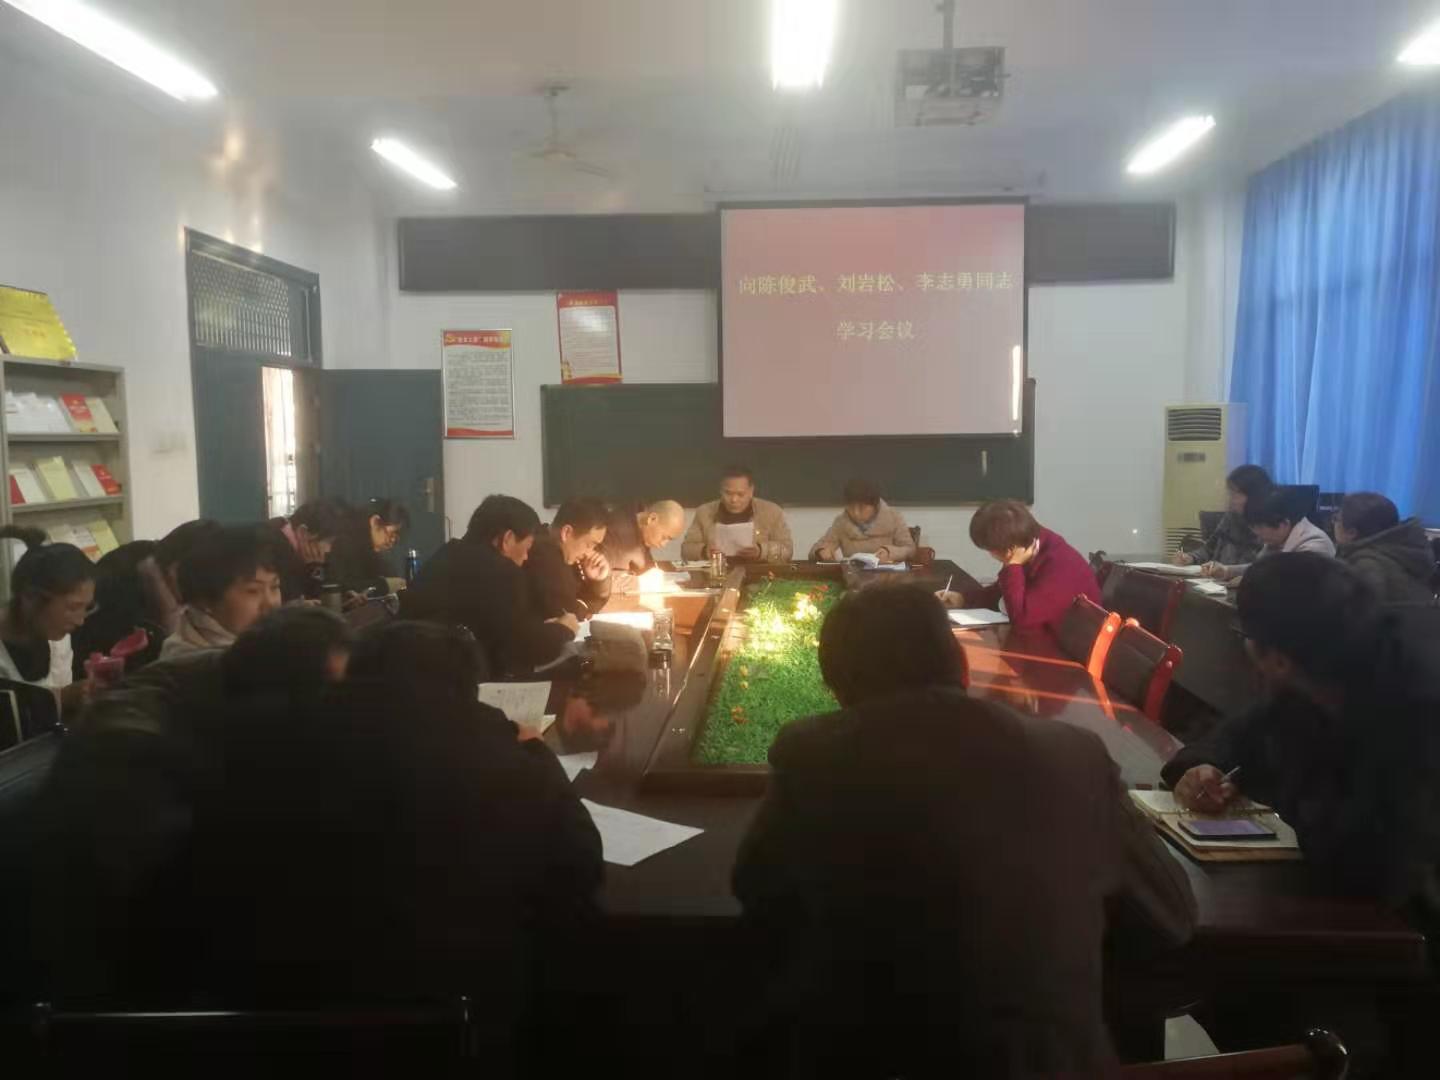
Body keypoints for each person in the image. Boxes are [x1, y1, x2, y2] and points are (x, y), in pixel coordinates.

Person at [733, 585, 1196, 1077]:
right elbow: (1172, 915)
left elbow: (756, 888)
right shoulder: (1073, 754)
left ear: (836, 688)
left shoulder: (811, 755)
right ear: (962, 664)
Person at [205, 621, 603, 1040]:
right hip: (461, 1018)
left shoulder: (272, 745)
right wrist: (538, 754)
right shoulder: (501, 752)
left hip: (279, 1017)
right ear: (469, 686)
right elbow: (581, 867)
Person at [32, 607, 355, 1004]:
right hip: (109, 997)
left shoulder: (231, 686)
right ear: (284, 695)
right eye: (328, 695)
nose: (337, 713)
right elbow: (187, 905)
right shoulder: (130, 753)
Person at [1163, 554, 1440, 924]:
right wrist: (1200, 766)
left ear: (1278, 660)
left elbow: (1378, 868)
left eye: (1245, 637)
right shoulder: (1317, 672)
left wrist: (1274, 781)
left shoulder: (1416, 708)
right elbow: (1235, 736)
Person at [401, 495, 578, 677]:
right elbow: (524, 650)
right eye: (527, 547)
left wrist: (540, 629)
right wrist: (564, 629)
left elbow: (505, 627)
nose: (526, 557)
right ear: (507, 539)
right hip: (456, 680)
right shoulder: (504, 572)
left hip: (410, 670)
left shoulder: (446, 553)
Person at [936, 499, 1101, 632]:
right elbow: (1003, 592)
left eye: (990, 550)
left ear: (1010, 549)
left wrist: (1012, 566)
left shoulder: (1060, 564)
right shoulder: (1028, 542)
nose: (990, 555)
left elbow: (1022, 618)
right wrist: (963, 599)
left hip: (1064, 650)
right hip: (1043, 636)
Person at [0, 526, 96, 711]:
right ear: (30, 597)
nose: (80, 621)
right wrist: (63, 698)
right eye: (73, 607)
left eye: (87, 607)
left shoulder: (58, 639)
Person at [162, 526, 283, 659]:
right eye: (253, 591)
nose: (271, 604)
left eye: (274, 587)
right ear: (206, 599)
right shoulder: (186, 661)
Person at [1201, 487, 1334, 582]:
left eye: (1260, 527)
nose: (1257, 534)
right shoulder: (1279, 538)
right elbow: (1260, 568)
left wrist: (1252, 581)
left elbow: (1292, 583)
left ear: (1284, 524)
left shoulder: (1314, 545)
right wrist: (1227, 571)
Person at [1333, 492, 1436, 606]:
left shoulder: (1365, 566)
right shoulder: (1402, 551)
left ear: (1351, 533)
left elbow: (1355, 613)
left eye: (1336, 519)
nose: (1333, 523)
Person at [681, 465, 793, 563]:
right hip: (716, 573)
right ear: (721, 490)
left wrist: (760, 551)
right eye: (728, 493)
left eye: (740, 494)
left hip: (758, 573)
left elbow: (787, 550)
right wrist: (704, 551)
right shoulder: (704, 512)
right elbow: (686, 550)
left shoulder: (771, 512)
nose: (734, 500)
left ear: (751, 491)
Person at [527, 497, 612, 619]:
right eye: (589, 545)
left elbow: (578, 604)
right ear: (566, 532)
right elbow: (569, 614)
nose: (589, 553)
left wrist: (598, 581)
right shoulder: (542, 555)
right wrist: (586, 607)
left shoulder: (565, 551)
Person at [1172, 464, 1272, 567]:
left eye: (1236, 494)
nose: (1231, 500)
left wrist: (1228, 572)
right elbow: (1209, 549)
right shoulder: (1231, 518)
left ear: (1254, 496)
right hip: (1215, 576)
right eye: (1230, 493)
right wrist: (1191, 558)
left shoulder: (1268, 527)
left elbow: (1261, 566)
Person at [809, 478, 916, 564]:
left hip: (888, 577)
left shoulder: (894, 517)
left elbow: (910, 550)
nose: (856, 513)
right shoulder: (841, 522)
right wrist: (821, 552)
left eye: (862, 508)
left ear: (875, 505)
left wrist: (889, 552)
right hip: (854, 577)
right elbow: (816, 550)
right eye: (851, 507)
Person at [268, 497, 350, 602]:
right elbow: (312, 599)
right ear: (302, 533)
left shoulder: (293, 544)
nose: (328, 550)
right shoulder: (276, 548)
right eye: (328, 542)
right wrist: (315, 568)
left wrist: (345, 597)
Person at [325, 497, 410, 596]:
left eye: (396, 540)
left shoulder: (373, 553)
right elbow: (340, 587)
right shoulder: (343, 544)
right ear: (375, 522)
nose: (391, 542)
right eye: (391, 535)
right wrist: (384, 585)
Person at [600, 499, 686, 575]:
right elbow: (604, 576)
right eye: (664, 537)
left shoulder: (642, 530)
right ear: (652, 518)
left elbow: (646, 567)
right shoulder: (617, 531)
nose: (663, 544)